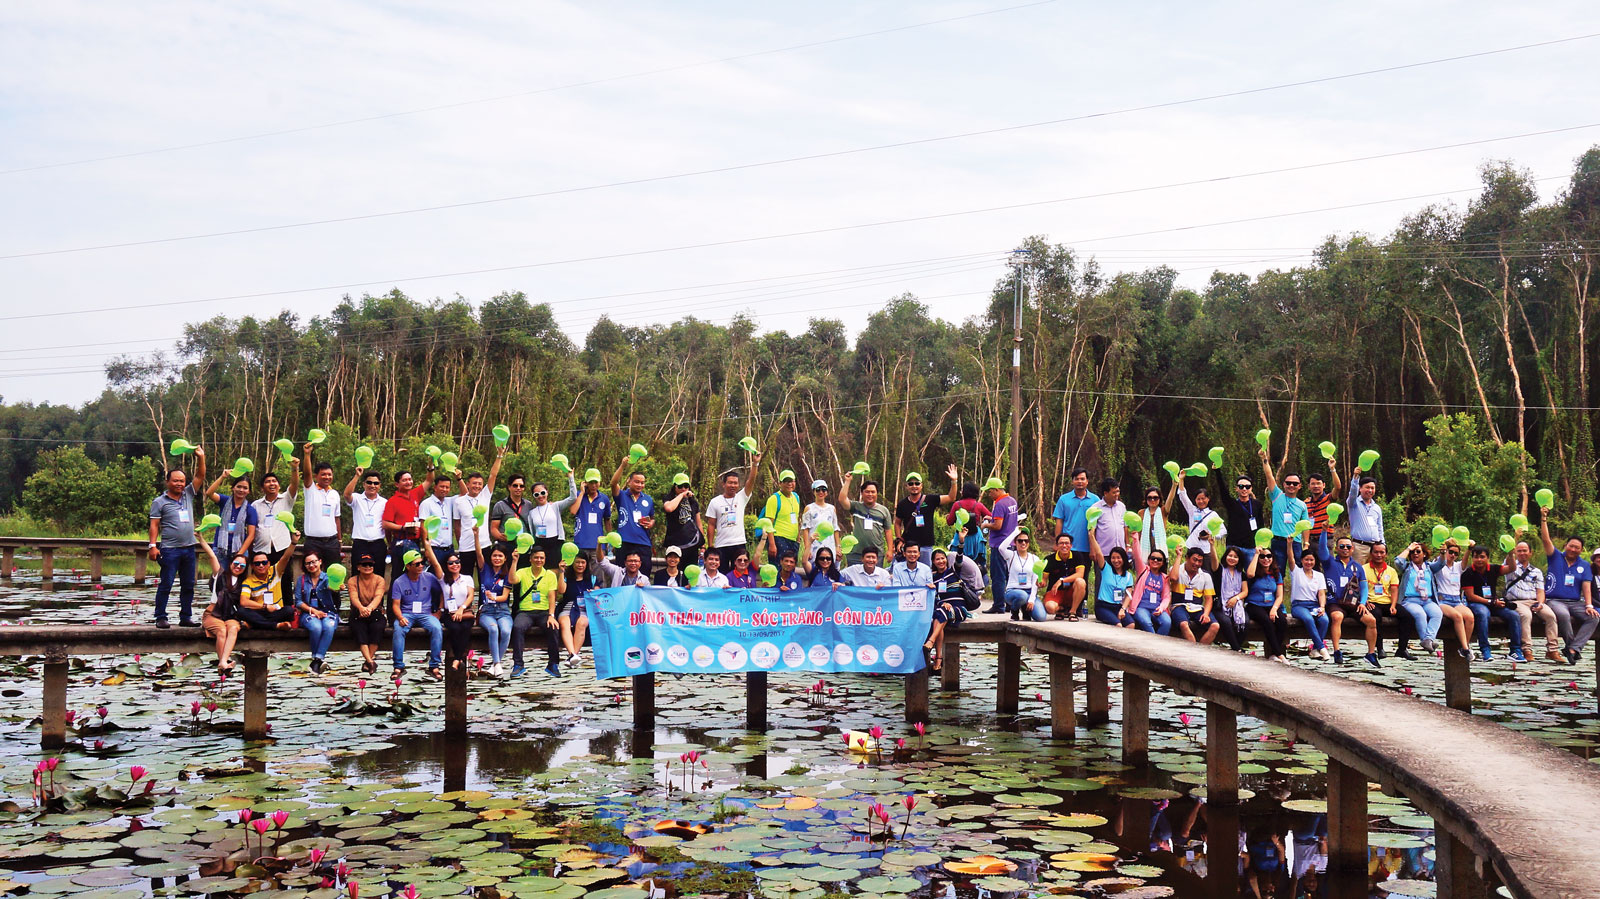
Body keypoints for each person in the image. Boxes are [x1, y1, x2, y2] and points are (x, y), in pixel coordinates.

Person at [149, 448, 206, 628]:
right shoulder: (159, 502)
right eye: (175, 480)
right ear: (167, 482)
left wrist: (201, 457)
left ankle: (186, 617)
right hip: (169, 549)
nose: (179, 484)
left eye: (182, 481)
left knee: (188, 585)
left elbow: (200, 476)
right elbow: (154, 525)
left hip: (189, 548)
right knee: (166, 584)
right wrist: (152, 546)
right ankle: (160, 617)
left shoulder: (188, 494)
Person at [1537, 514, 1599, 665]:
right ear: (1566, 546)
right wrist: (1544, 519)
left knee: (1594, 617)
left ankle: (1572, 649)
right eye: (1571, 546)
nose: (1573, 549)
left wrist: (1589, 605)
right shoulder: (1555, 556)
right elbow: (1546, 540)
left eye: (1577, 547)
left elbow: (1586, 587)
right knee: (1563, 615)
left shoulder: (1583, 565)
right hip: (1555, 600)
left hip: (1575, 602)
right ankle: (1572, 647)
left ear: (1581, 549)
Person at [1316, 532, 1379, 667]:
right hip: (1335, 602)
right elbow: (1322, 550)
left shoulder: (1358, 567)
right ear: (1337, 549)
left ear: (1352, 549)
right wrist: (1323, 532)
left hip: (1353, 603)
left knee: (1371, 620)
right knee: (1337, 617)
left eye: (1348, 547)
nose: (1345, 549)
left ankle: (1371, 653)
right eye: (1342, 546)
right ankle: (1337, 651)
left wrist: (1362, 603)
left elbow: (1364, 587)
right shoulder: (1330, 563)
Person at [1462, 544, 1525, 662]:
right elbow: (1470, 596)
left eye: (1482, 557)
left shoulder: (1494, 569)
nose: (1479, 560)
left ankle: (1516, 650)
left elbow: (1511, 568)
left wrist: (1511, 554)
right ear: (1472, 558)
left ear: (1488, 558)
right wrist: (1490, 602)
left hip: (1493, 603)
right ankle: (1485, 649)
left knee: (1514, 615)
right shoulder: (1468, 573)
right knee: (1483, 614)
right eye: (1476, 557)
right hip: (1477, 603)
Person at [1501, 540, 1561, 662]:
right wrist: (1512, 545)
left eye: (1525, 551)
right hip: (1517, 601)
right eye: (1519, 551)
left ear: (1530, 553)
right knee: (1526, 615)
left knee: (1551, 616)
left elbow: (1540, 591)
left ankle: (1552, 650)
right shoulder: (1510, 567)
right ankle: (1527, 649)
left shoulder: (1536, 571)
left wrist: (1540, 603)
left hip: (1533, 600)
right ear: (1515, 553)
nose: (1522, 553)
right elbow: (1508, 560)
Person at [508, 546, 563, 677]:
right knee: (517, 626)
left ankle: (553, 664)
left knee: (553, 627)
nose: (539, 560)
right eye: (536, 557)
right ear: (530, 559)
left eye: (541, 558)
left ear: (545, 560)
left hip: (544, 612)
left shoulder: (550, 575)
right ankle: (518, 664)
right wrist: (514, 561)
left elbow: (552, 597)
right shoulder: (523, 571)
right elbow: (511, 580)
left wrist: (551, 615)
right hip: (525, 612)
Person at [390, 548, 445, 679]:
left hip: (426, 613)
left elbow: (443, 591)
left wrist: (439, 611)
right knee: (398, 629)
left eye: (422, 563)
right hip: (407, 613)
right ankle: (398, 666)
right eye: (417, 564)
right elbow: (395, 605)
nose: (421, 566)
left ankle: (434, 666)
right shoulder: (399, 582)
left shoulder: (429, 577)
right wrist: (400, 617)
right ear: (408, 566)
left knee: (437, 628)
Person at [925, 548, 982, 669]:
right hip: (943, 609)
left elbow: (959, 558)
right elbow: (934, 598)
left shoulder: (954, 571)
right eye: (937, 559)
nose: (941, 561)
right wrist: (942, 603)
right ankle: (939, 659)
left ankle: (931, 641)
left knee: (940, 614)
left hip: (959, 609)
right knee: (940, 613)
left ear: (946, 559)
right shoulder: (932, 578)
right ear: (933, 562)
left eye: (942, 558)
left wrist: (961, 542)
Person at [705, 453, 762, 570]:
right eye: (730, 482)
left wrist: (755, 464)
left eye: (735, 483)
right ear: (723, 484)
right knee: (722, 575)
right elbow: (711, 524)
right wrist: (710, 546)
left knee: (740, 573)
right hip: (721, 544)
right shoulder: (715, 502)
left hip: (739, 543)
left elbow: (751, 481)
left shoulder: (742, 497)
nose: (733, 485)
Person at [423, 544, 476, 672]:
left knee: (465, 628)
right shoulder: (443, 579)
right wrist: (427, 545)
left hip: (464, 612)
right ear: (446, 565)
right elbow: (435, 563)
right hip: (449, 613)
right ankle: (458, 659)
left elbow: (470, 596)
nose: (455, 565)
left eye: (457, 562)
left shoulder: (467, 578)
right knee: (455, 628)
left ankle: (457, 659)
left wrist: (461, 609)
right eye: (451, 563)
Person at [455, 448, 505, 581]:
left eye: (479, 484)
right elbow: (457, 525)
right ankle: (467, 602)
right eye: (474, 483)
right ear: (468, 484)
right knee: (466, 579)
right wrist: (461, 541)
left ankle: (486, 602)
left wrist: (499, 455)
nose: (477, 486)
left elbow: (493, 475)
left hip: (484, 544)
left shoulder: (485, 496)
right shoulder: (458, 502)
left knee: (486, 578)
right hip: (466, 547)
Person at [196, 541, 243, 676]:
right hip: (214, 613)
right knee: (221, 631)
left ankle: (223, 662)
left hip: (229, 615)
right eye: (236, 564)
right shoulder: (220, 575)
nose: (238, 567)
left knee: (233, 628)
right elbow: (212, 556)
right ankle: (224, 662)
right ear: (230, 564)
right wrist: (201, 539)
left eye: (242, 565)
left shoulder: (243, 583)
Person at [1258, 450, 1309, 572]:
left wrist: (1306, 544)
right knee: (1277, 570)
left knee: (1297, 571)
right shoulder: (1276, 496)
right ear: (1284, 484)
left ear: (1299, 486)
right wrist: (1264, 459)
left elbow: (1305, 525)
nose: (1291, 485)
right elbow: (1269, 476)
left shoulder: (1302, 505)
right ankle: (1277, 591)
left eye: (1295, 483)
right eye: (1288, 483)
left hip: (1295, 542)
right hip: (1278, 541)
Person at [239, 530, 298, 631]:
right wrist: (264, 607)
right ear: (252, 566)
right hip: (259, 610)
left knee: (289, 611)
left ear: (268, 563)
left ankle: (254, 624)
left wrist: (293, 543)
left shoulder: (275, 571)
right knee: (241, 611)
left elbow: (285, 557)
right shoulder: (248, 582)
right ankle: (275, 626)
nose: (261, 565)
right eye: (257, 563)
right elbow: (243, 602)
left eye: (264, 562)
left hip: (276, 611)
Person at [293, 549, 341, 674]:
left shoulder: (327, 578)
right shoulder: (301, 580)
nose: (311, 565)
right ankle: (318, 660)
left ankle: (317, 660)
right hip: (308, 613)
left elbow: (333, 588)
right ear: (304, 566)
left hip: (328, 613)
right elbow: (298, 601)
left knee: (328, 626)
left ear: (320, 562)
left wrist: (338, 587)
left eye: (314, 562)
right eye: (308, 563)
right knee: (316, 627)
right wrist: (313, 611)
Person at [1362, 543, 1412, 659]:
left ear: (1386, 554)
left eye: (1382, 552)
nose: (1379, 555)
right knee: (1376, 616)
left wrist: (1394, 605)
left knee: (1407, 616)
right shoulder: (1363, 569)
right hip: (1371, 602)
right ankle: (1379, 649)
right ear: (1371, 553)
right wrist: (1364, 602)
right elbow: (1359, 588)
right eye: (1376, 552)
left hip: (1387, 602)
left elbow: (1394, 590)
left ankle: (1402, 649)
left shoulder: (1391, 571)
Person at [1395, 542, 1445, 656]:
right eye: (1413, 552)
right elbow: (1398, 561)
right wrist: (1409, 548)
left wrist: (1443, 552)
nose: (1415, 554)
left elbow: (1441, 563)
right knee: (1420, 614)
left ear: (1424, 554)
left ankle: (1428, 639)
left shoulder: (1429, 567)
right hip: (1410, 600)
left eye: (1418, 551)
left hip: (1427, 600)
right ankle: (1426, 640)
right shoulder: (1407, 567)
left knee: (1437, 613)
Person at [1435, 539, 1482, 659]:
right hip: (1442, 599)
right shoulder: (1439, 564)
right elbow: (1438, 560)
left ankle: (1464, 646)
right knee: (1457, 616)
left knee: (1470, 617)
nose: (1453, 555)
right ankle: (1466, 648)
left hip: (1456, 600)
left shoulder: (1457, 567)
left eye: (1456, 553)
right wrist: (1444, 547)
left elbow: (1465, 561)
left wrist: (1470, 548)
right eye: (1451, 552)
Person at [382, 469, 433, 579]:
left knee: (415, 575)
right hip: (401, 542)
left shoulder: (415, 494)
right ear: (397, 484)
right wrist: (403, 528)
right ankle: (395, 596)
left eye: (410, 479)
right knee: (399, 576)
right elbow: (385, 524)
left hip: (415, 542)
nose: (408, 482)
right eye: (404, 480)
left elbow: (429, 480)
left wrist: (430, 466)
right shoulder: (392, 501)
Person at [611, 463, 659, 577]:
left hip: (643, 542)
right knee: (621, 575)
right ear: (629, 481)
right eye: (637, 481)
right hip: (624, 542)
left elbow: (652, 518)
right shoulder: (621, 496)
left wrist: (650, 524)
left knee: (644, 575)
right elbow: (613, 483)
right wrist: (622, 465)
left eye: (642, 482)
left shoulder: (648, 499)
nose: (640, 485)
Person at [894, 470, 950, 567]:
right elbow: (897, 523)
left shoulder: (930, 500)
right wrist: (899, 539)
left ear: (921, 485)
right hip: (909, 546)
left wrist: (954, 481)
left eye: (917, 483)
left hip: (926, 546)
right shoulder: (902, 504)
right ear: (906, 486)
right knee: (906, 573)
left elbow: (951, 497)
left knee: (925, 574)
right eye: (911, 484)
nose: (914, 486)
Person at [345, 553, 388, 675]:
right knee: (359, 629)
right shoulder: (353, 580)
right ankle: (370, 661)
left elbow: (378, 596)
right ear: (358, 567)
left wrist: (369, 609)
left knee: (378, 627)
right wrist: (361, 609)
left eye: (370, 564)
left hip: (375, 611)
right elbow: (354, 597)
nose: (367, 567)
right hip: (358, 612)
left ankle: (367, 662)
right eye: (364, 564)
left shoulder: (379, 580)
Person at [1243, 549, 1289, 661]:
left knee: (1282, 621)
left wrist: (1274, 609)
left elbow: (1279, 596)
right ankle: (1279, 654)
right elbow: (1249, 574)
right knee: (1267, 622)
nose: (1266, 559)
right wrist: (1256, 554)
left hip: (1271, 605)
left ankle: (1273, 654)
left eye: (1269, 556)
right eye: (1262, 557)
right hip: (1254, 605)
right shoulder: (1254, 572)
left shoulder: (1276, 574)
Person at [981, 477, 1020, 611]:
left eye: (990, 491)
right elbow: (1007, 519)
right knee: (1010, 574)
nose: (989, 494)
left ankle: (998, 605)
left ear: (996, 490)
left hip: (999, 544)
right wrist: (991, 517)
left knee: (998, 576)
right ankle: (1010, 604)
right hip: (1011, 543)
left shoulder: (999, 504)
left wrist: (986, 524)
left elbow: (998, 525)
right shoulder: (1012, 501)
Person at [300, 449, 344, 566]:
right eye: (323, 474)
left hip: (332, 542)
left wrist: (339, 540)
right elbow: (307, 473)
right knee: (312, 573)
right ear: (316, 476)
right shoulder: (311, 489)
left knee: (334, 573)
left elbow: (337, 518)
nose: (327, 477)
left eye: (329, 474)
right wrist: (307, 454)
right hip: (313, 542)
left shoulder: (334, 493)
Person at [839, 471, 892, 567]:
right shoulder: (856, 507)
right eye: (867, 492)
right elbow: (842, 500)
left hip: (876, 554)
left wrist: (890, 550)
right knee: (854, 580)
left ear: (877, 494)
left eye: (873, 492)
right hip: (856, 553)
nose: (870, 494)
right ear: (862, 493)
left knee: (875, 579)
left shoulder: (883, 511)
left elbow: (888, 531)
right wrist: (847, 481)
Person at [1286, 549, 1331, 660]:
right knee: (1308, 618)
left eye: (1311, 560)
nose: (1309, 562)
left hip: (1314, 605)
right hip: (1299, 605)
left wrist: (1322, 607)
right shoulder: (1296, 572)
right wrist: (1289, 544)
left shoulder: (1319, 575)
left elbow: (1321, 594)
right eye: (1306, 559)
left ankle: (1315, 649)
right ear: (1301, 560)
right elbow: (1291, 558)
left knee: (1324, 620)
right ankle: (1322, 648)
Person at [1211, 466, 1263, 560]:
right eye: (1241, 486)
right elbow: (1223, 491)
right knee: (1232, 573)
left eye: (1247, 487)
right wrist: (1217, 471)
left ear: (1251, 489)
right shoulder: (1232, 504)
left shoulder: (1257, 504)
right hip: (1234, 547)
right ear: (1236, 488)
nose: (1244, 489)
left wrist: (1261, 545)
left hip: (1251, 547)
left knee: (1250, 574)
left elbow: (1260, 526)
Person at [1170, 547, 1220, 645]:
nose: (1197, 564)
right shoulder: (1177, 569)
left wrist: (1206, 614)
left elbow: (1209, 599)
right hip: (1179, 605)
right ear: (1187, 558)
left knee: (1215, 626)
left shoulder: (1205, 576)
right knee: (1184, 624)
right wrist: (1178, 556)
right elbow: (1173, 577)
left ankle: (1199, 650)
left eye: (1200, 561)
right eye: (1195, 560)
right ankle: (1194, 652)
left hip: (1197, 607)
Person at [527, 474, 579, 567]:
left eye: (542, 493)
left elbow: (573, 497)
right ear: (533, 496)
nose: (540, 496)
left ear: (547, 492)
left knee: (556, 570)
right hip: (539, 544)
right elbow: (532, 533)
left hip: (555, 543)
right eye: (536, 494)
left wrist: (571, 478)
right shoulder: (531, 513)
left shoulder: (555, 506)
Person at [345, 467, 388, 579]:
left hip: (378, 544)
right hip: (360, 544)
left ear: (379, 485)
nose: (372, 485)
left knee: (378, 575)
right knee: (357, 575)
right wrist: (357, 476)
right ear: (364, 484)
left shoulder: (384, 502)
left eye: (376, 483)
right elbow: (346, 495)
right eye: (369, 482)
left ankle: (377, 597)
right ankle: (357, 597)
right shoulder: (357, 498)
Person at [1050, 467, 1098, 567]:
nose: (1079, 481)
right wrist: (1057, 542)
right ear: (1072, 481)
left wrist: (1094, 547)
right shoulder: (1064, 499)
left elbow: (1098, 524)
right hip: (1067, 546)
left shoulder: (1095, 500)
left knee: (1083, 578)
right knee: (1066, 577)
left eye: (1082, 479)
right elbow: (1059, 521)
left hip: (1087, 547)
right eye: (1077, 479)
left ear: (1087, 481)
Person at [1121, 541, 1172, 636]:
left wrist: (1161, 608)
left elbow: (1166, 597)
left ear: (1163, 562)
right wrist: (1135, 537)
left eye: (1159, 559)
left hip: (1156, 608)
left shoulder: (1164, 578)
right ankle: (1155, 645)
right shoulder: (1143, 570)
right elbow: (1137, 555)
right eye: (1153, 558)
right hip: (1141, 607)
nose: (1155, 561)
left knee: (1167, 622)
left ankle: (1157, 645)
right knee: (1146, 622)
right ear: (1149, 560)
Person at [555, 552, 597, 666]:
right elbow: (561, 591)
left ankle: (573, 655)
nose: (580, 565)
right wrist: (561, 572)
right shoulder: (567, 577)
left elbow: (599, 593)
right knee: (564, 623)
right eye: (577, 562)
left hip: (584, 608)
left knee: (582, 623)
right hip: (568, 605)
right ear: (572, 563)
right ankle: (572, 655)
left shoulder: (592, 578)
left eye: (583, 562)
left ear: (587, 564)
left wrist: (594, 593)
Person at [204, 473, 258, 559]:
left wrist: (239, 554)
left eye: (245, 488)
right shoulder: (224, 501)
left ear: (249, 491)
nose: (241, 490)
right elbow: (209, 493)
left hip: (239, 551)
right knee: (219, 573)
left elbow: (251, 535)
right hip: (220, 549)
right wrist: (222, 477)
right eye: (239, 486)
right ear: (233, 488)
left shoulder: (250, 510)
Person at [478, 547, 513, 677]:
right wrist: (476, 535)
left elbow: (504, 596)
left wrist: (495, 598)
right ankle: (497, 664)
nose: (497, 558)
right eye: (494, 556)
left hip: (503, 610)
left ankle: (495, 665)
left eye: (500, 556)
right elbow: (478, 553)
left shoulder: (508, 574)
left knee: (505, 631)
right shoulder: (485, 569)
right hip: (487, 611)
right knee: (493, 629)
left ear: (505, 559)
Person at [995, 527, 1043, 621]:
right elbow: (1001, 548)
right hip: (1013, 591)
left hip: (1029, 591)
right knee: (1022, 596)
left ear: (1029, 543)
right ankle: (1014, 610)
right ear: (1015, 542)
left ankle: (1026, 610)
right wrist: (1015, 532)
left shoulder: (1034, 559)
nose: (1023, 543)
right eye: (1020, 541)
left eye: (1026, 541)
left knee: (1040, 617)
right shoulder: (1011, 555)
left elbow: (1035, 581)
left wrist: (1032, 599)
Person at [945, 479, 991, 576]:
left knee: (957, 561)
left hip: (961, 535)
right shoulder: (979, 505)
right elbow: (990, 516)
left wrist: (947, 517)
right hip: (976, 537)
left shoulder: (957, 505)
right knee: (977, 563)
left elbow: (950, 522)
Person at [1087, 536, 1136, 627]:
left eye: (1118, 558)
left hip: (1117, 607)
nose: (1116, 560)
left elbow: (1128, 596)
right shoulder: (1106, 568)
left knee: (1131, 625)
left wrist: (1123, 609)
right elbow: (1099, 553)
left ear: (1124, 559)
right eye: (1113, 558)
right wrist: (1092, 537)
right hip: (1103, 606)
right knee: (1118, 625)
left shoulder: (1128, 576)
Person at [1173, 470, 1223, 555]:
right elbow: (1183, 496)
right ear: (1195, 500)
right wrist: (1181, 480)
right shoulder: (1192, 510)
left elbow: (1222, 531)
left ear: (1208, 499)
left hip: (1206, 550)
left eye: (1203, 498)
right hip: (1192, 547)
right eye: (1198, 499)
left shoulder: (1213, 514)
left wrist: (1210, 535)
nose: (1201, 501)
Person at [1210, 546, 1250, 651]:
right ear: (1225, 556)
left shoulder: (1241, 574)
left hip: (1237, 605)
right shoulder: (1219, 570)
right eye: (1230, 555)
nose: (1232, 558)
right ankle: (1237, 649)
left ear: (1239, 559)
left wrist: (1235, 598)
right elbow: (1214, 560)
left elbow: (1245, 591)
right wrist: (1212, 545)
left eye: (1235, 557)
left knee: (1245, 622)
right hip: (1220, 605)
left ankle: (1235, 648)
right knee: (1226, 622)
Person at [252, 470, 296, 565]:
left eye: (274, 481)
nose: (271, 483)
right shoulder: (255, 505)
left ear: (279, 486)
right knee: (260, 579)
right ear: (262, 488)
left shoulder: (286, 500)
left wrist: (295, 468)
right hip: (261, 551)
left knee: (284, 579)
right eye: (268, 482)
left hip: (282, 549)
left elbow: (294, 485)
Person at [1344, 460, 1384, 565]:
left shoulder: (1376, 508)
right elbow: (1352, 493)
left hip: (1375, 548)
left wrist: (1382, 544)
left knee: (1373, 576)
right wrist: (1355, 477)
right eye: (1367, 487)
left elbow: (1380, 528)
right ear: (1360, 489)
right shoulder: (1353, 503)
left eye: (1372, 488)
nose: (1370, 490)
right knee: (1357, 575)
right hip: (1359, 547)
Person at [1042, 533, 1088, 620]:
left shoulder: (1077, 556)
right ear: (1057, 545)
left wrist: (1061, 580)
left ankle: (1072, 612)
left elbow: (1080, 574)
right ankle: (1061, 610)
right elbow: (1044, 580)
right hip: (1056, 592)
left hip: (1071, 591)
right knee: (1050, 608)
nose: (1064, 546)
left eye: (1067, 543)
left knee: (1080, 582)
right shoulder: (1049, 559)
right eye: (1061, 543)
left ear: (1071, 545)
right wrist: (1041, 582)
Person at [1089, 478, 1129, 579]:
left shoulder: (1121, 506)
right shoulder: (1095, 508)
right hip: (1103, 553)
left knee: (1120, 580)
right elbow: (1091, 531)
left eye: (1118, 491)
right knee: (1102, 581)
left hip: (1120, 552)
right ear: (1106, 493)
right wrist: (1092, 549)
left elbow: (1125, 527)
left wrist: (1127, 545)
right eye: (1114, 492)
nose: (1117, 494)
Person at [661, 474, 703, 567]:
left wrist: (702, 545)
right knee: (676, 570)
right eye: (680, 486)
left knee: (691, 571)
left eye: (686, 486)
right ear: (674, 486)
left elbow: (699, 523)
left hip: (692, 542)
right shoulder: (669, 498)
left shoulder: (693, 502)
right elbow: (669, 508)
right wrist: (681, 495)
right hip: (675, 543)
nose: (683, 488)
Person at [764, 469, 804, 563]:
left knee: (790, 570)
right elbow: (769, 523)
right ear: (780, 483)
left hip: (793, 540)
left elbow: (797, 519)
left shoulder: (796, 497)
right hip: (779, 539)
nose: (789, 484)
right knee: (779, 569)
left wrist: (798, 539)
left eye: (791, 481)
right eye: (786, 481)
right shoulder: (774, 499)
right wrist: (772, 544)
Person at [418, 471, 459, 561]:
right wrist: (427, 548)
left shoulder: (450, 501)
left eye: (447, 487)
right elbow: (423, 527)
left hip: (449, 549)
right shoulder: (427, 503)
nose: (444, 489)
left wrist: (459, 479)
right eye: (442, 486)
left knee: (448, 575)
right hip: (434, 548)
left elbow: (465, 494)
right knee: (433, 574)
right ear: (435, 487)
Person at [570, 468, 612, 557]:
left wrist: (610, 539)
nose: (593, 485)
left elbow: (607, 520)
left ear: (600, 482)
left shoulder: (604, 499)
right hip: (580, 543)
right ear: (585, 483)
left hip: (598, 544)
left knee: (598, 571)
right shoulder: (578, 495)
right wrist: (581, 493)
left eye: (596, 482)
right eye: (591, 482)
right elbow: (573, 511)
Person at [490, 474, 533, 554]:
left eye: (521, 486)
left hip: (524, 544)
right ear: (509, 487)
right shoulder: (500, 505)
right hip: (506, 545)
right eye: (515, 485)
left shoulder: (529, 505)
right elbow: (493, 528)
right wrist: (500, 537)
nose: (518, 488)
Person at [800, 479, 840, 564]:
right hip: (814, 545)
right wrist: (808, 548)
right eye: (818, 490)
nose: (821, 492)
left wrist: (838, 547)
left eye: (823, 489)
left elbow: (835, 529)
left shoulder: (832, 509)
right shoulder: (809, 508)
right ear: (814, 492)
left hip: (829, 544)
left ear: (827, 492)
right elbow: (805, 529)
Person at [1304, 457, 1341, 541]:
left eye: (1318, 483)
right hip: (1310, 540)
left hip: (1326, 539)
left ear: (1323, 485)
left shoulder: (1328, 499)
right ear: (1309, 487)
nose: (1316, 486)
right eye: (1313, 484)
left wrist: (1332, 469)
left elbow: (1338, 487)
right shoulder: (1306, 502)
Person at [1133, 485, 1168, 560]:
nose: (1152, 500)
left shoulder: (1163, 511)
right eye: (1149, 498)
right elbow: (1138, 533)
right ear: (1146, 499)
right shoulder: (1141, 513)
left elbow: (1170, 499)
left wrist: (1175, 485)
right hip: (1145, 548)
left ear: (1159, 499)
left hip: (1159, 547)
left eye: (1155, 498)